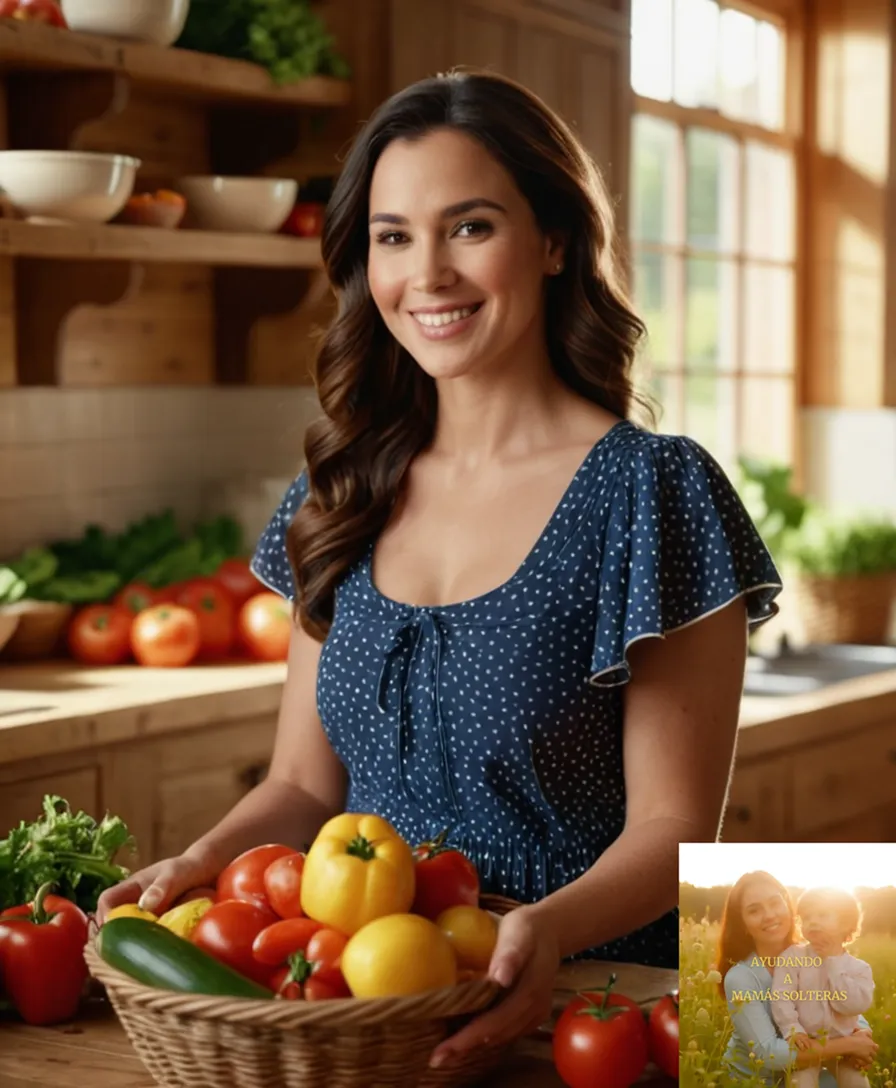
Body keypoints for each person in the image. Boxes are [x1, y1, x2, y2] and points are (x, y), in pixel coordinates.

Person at [98, 68, 784, 1067]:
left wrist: (542, 928)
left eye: (468, 227)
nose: (427, 274)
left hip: (581, 1011)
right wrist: (201, 865)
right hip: (368, 1007)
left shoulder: (650, 491)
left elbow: (677, 826)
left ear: (552, 242)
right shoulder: (341, 489)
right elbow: (299, 782)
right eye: (392, 235)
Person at [717, 872, 878, 1085]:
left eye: (775, 903)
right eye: (754, 910)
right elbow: (767, 1054)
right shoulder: (740, 978)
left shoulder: (816, 953)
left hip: (811, 1064)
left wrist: (862, 1032)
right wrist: (850, 1045)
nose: (769, 915)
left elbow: (838, 1001)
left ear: (788, 906)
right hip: (758, 1079)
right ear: (743, 924)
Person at [770, 886, 874, 1088]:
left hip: (844, 1047)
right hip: (807, 1043)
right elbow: (781, 997)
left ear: (846, 924)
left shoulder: (859, 968)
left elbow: (853, 1006)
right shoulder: (792, 957)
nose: (813, 922)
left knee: (858, 1083)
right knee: (800, 1084)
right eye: (807, 917)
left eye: (823, 915)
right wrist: (793, 1030)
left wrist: (832, 962)